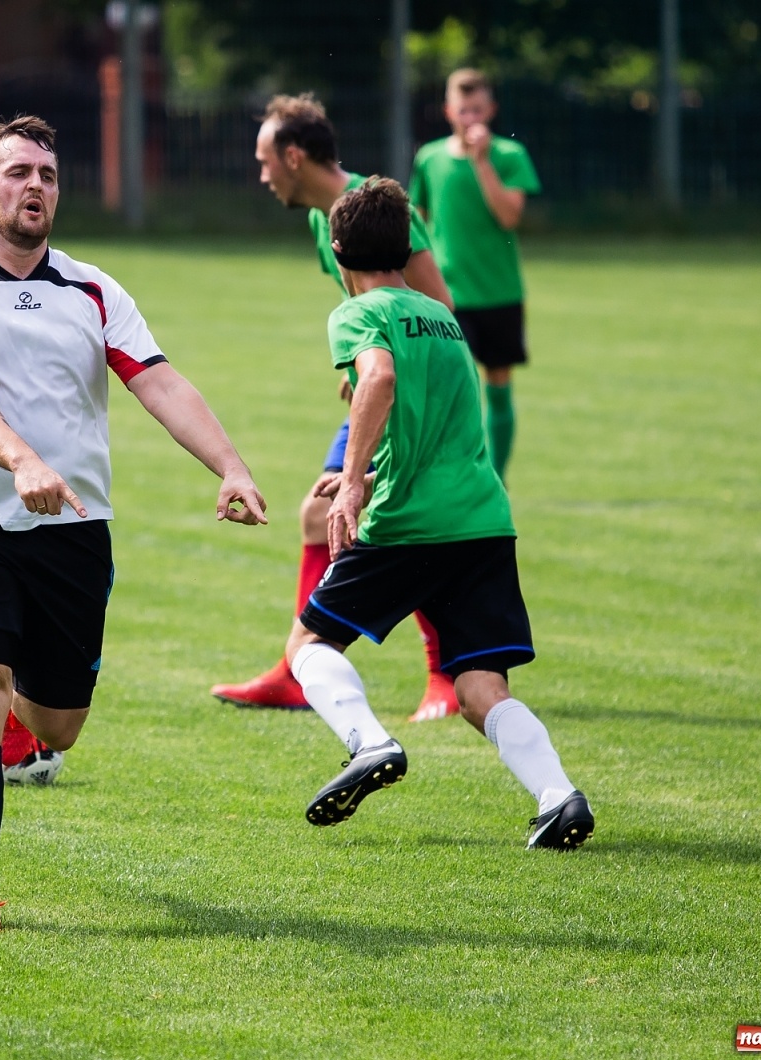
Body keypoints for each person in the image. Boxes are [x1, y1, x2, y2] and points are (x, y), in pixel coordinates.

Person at [0, 116, 268, 933]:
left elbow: (159, 382)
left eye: (49, 175)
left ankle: (26, 742)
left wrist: (232, 466)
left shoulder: (94, 289)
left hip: (73, 529)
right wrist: (23, 460)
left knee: (58, 722)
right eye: (20, 172)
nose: (36, 186)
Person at [283, 178, 592, 850]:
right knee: (479, 686)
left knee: (307, 646)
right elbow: (427, 415)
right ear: (406, 245)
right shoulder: (443, 316)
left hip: (410, 524)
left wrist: (357, 482)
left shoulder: (358, 313)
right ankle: (558, 795)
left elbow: (381, 379)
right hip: (481, 521)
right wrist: (365, 464)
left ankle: (369, 744)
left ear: (338, 250)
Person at [212, 93, 460, 723]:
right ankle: (299, 669)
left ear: (295, 156)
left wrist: (380, 370)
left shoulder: (380, 209)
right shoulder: (323, 222)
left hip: (412, 398)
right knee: (317, 513)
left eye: (267, 161)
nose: (263, 175)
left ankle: (445, 675)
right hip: (376, 386)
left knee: (402, 519)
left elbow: (438, 310)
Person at [409, 69, 540, 484]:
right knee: (454, 386)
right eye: (462, 110)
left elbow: (509, 216)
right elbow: (419, 221)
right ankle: (460, 472)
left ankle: (495, 479)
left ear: (491, 111)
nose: (470, 119)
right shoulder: (429, 158)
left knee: (498, 381)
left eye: (477, 110)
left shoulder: (508, 156)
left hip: (499, 291)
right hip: (448, 295)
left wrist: (482, 163)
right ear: (449, 111)